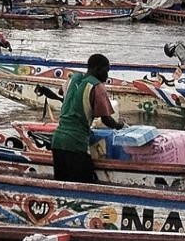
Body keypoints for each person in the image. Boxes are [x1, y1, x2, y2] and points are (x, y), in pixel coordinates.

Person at [48, 54, 128, 183]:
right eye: (106, 71)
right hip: (76, 143)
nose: (107, 76)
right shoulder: (96, 86)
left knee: (62, 185)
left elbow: (60, 92)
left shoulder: (73, 79)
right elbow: (106, 120)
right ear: (96, 69)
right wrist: (120, 125)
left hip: (57, 142)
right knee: (83, 184)